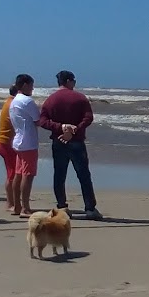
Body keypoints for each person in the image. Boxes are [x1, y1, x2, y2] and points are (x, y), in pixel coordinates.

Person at [38, 69, 101, 220]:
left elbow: (43, 121)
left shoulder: (51, 100)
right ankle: (90, 208)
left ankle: (61, 206)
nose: (74, 83)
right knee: (84, 175)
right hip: (76, 141)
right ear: (68, 81)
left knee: (59, 175)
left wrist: (60, 127)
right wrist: (74, 129)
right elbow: (88, 118)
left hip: (58, 140)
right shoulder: (79, 98)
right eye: (74, 81)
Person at [7, 74, 40, 217]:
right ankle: (25, 207)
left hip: (19, 140)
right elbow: (38, 120)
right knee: (28, 174)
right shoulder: (27, 101)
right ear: (25, 85)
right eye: (31, 85)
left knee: (19, 174)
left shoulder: (14, 101)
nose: (32, 88)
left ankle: (17, 206)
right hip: (28, 142)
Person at [0, 82, 19, 211]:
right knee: (13, 173)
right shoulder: (12, 104)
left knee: (13, 172)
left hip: (5, 142)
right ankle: (10, 203)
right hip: (6, 143)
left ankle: (13, 202)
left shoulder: (9, 102)